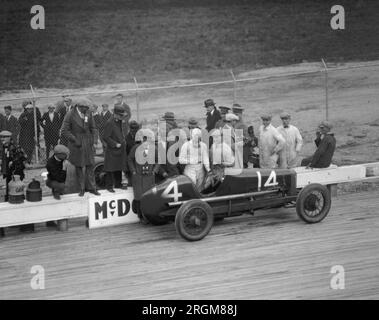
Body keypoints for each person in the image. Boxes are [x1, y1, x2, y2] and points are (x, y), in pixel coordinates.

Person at [61, 97, 100, 197]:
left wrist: (94, 140)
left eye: (87, 108)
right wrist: (74, 139)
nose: (87, 110)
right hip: (76, 144)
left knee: (90, 165)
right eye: (85, 108)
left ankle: (92, 188)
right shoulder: (70, 114)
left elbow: (94, 128)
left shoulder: (88, 113)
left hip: (88, 143)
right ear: (79, 106)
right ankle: (82, 188)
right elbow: (64, 130)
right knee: (79, 166)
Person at [128, 130, 160, 223]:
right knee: (138, 197)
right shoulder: (135, 148)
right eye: (144, 139)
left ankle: (149, 216)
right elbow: (130, 159)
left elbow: (159, 160)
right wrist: (133, 171)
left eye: (148, 139)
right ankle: (141, 217)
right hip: (138, 176)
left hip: (149, 177)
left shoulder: (154, 149)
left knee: (149, 197)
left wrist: (154, 171)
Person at [102, 105, 128, 192]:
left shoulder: (119, 121)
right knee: (110, 168)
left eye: (122, 115)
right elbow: (105, 137)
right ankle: (109, 187)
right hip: (113, 150)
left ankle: (118, 184)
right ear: (115, 114)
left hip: (120, 149)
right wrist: (115, 144)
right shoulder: (109, 122)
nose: (122, 117)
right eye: (121, 115)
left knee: (119, 167)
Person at [0, 130, 27, 202]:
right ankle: (9, 197)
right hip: (9, 170)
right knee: (9, 183)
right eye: (1, 137)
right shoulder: (5, 146)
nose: (2, 139)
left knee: (16, 184)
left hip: (16, 169)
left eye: (4, 137)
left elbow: (23, 156)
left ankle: (19, 197)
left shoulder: (15, 146)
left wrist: (13, 161)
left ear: (9, 138)